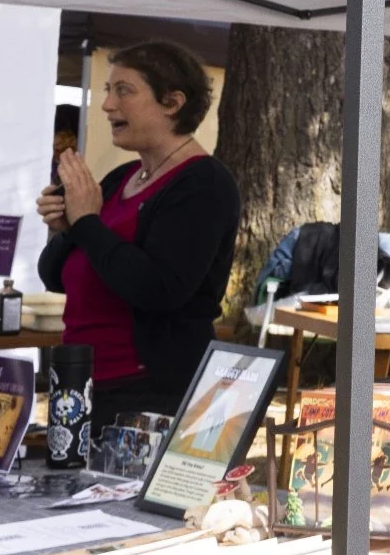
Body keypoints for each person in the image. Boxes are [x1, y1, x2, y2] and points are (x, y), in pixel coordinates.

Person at [35, 40, 241, 424]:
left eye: (124, 90)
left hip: (147, 397)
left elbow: (159, 289)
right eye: (108, 90)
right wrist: (69, 230)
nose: (108, 104)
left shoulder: (203, 183)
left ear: (172, 102)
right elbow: (52, 276)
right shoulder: (121, 178)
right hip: (79, 384)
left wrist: (87, 225)